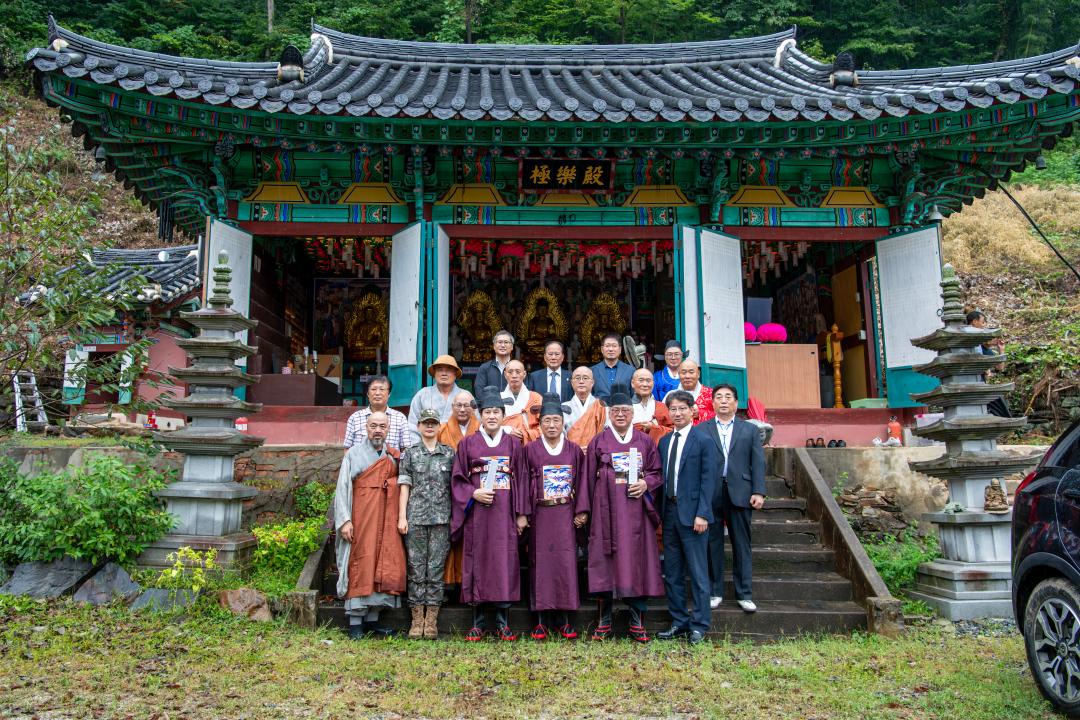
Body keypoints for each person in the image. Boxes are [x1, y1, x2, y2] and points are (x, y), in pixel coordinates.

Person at [575, 383, 664, 642]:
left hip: (636, 514)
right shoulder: (599, 441)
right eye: (616, 411)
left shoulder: (645, 441)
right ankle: (604, 621)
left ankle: (637, 622)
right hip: (605, 513)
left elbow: (656, 472)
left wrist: (646, 483)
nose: (621, 415)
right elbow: (585, 479)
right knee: (604, 563)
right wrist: (584, 510)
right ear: (609, 414)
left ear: (633, 413)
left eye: (625, 410)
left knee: (637, 562)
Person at [451, 386, 524, 641]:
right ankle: (478, 622)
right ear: (480, 415)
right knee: (478, 562)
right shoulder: (467, 444)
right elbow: (457, 479)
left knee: (504, 562)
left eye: (496, 412)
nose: (492, 416)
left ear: (503, 416)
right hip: (478, 516)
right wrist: (473, 493)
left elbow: (522, 479)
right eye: (487, 412)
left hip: (504, 515)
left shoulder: (513, 444)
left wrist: (521, 514)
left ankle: (503, 622)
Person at [516, 394, 585, 640]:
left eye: (556, 420)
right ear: (540, 423)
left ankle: (565, 620)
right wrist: (522, 514)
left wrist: (581, 511)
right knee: (541, 564)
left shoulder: (574, 450)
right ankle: (541, 621)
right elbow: (522, 482)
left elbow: (582, 483)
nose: (552, 425)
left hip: (565, 514)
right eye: (547, 421)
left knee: (566, 564)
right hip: (540, 515)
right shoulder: (530, 450)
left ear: (563, 422)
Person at [333, 412, 406, 638]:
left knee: (383, 562)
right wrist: (345, 520)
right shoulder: (354, 454)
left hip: (386, 517)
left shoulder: (392, 456)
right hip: (361, 517)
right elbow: (342, 488)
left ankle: (373, 621)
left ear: (388, 429)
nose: (377, 430)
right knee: (361, 563)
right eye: (373, 426)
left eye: (382, 426)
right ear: (366, 427)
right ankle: (356, 623)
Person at [656, 391, 715, 644]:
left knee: (698, 573)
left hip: (694, 516)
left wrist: (703, 513)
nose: (677, 413)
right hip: (669, 512)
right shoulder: (664, 442)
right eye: (673, 409)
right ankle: (679, 621)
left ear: (692, 411)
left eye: (682, 408)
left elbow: (709, 480)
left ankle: (700, 624)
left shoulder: (703, 439)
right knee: (672, 572)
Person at [703, 383, 766, 613]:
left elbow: (758, 462)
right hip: (711, 492)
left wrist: (758, 491)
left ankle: (744, 593)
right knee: (713, 543)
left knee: (741, 543)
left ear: (736, 403)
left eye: (728, 397)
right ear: (713, 403)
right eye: (719, 397)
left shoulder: (749, 429)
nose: (723, 401)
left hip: (741, 492)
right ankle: (715, 591)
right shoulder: (702, 429)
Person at [397, 408, 455, 639]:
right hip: (416, 518)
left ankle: (431, 620)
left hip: (442, 519)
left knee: (436, 568)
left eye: (433, 423)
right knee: (416, 568)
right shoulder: (410, 454)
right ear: (419, 426)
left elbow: (455, 488)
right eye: (425, 423)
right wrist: (402, 516)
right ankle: (416, 619)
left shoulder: (449, 453)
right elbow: (405, 486)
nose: (429, 427)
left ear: (439, 426)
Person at [436, 391, 478, 589]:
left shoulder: (481, 428)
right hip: (448, 489)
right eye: (458, 405)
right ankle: (450, 582)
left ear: (473, 407)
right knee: (451, 532)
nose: (462, 409)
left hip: (474, 491)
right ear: (452, 407)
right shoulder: (442, 430)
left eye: (467, 405)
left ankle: (470, 583)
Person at [344, 375, 415, 451]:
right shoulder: (355, 418)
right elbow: (347, 448)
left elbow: (405, 449)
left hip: (391, 459)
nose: (377, 393)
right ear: (368, 394)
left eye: (382, 389)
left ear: (389, 394)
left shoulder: (400, 418)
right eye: (373, 389)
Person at [408, 355, 466, 439]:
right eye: (440, 370)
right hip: (427, 445)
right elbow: (412, 426)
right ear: (434, 373)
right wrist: (418, 446)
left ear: (455, 374)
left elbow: (474, 425)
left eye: (448, 370)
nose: (444, 374)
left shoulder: (465, 396)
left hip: (459, 445)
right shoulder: (422, 395)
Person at [966, 310, 1011, 418]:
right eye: (983, 322)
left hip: (980, 382)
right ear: (974, 321)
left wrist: (1001, 350)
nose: (984, 325)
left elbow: (999, 368)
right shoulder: (970, 341)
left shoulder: (986, 350)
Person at [501, 359, 543, 442]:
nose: (514, 375)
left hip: (530, 444)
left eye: (518, 372)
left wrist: (525, 434)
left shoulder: (536, 398)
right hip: (505, 443)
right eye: (510, 372)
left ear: (524, 374)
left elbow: (544, 424)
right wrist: (507, 430)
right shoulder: (498, 398)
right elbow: (489, 425)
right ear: (505, 375)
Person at [565, 367, 607, 448]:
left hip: (595, 452)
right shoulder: (564, 407)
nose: (581, 381)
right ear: (572, 383)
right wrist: (573, 450)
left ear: (592, 382)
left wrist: (593, 449)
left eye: (585, 378)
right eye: (577, 378)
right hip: (571, 452)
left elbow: (606, 433)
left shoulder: (601, 406)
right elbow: (560, 435)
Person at [663, 360, 714, 425]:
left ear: (698, 374)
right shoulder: (670, 395)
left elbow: (723, 417)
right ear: (679, 374)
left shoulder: (712, 394)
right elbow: (663, 419)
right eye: (683, 373)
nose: (687, 376)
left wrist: (701, 413)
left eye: (691, 372)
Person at [631, 368, 673, 443]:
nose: (645, 384)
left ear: (653, 384)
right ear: (632, 383)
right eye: (641, 380)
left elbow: (673, 431)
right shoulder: (624, 407)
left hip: (656, 448)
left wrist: (654, 428)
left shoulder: (661, 407)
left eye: (648, 381)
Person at [590, 333, 635, 403]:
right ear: (602, 349)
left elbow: (634, 396)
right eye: (607, 346)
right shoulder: (592, 371)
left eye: (614, 346)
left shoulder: (630, 370)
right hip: (600, 409)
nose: (611, 349)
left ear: (620, 349)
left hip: (623, 409)